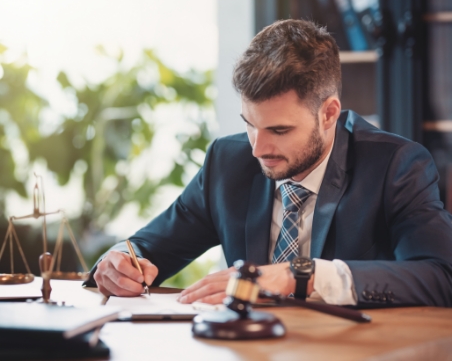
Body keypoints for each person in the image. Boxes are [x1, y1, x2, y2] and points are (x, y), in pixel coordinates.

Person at [85, 19, 452, 308]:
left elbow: (441, 277)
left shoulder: (395, 166)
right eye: (249, 125)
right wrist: (119, 263)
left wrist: (299, 276)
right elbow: (146, 249)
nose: (258, 149)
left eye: (279, 129)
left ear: (329, 114)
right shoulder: (227, 163)